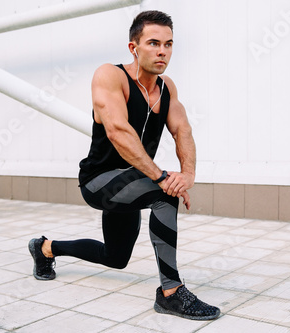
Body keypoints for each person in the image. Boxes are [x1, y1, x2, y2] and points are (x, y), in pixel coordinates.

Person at [29, 10, 220, 321]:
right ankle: (171, 293)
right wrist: (162, 178)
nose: (163, 51)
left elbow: (182, 130)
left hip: (133, 182)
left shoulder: (167, 88)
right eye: (154, 43)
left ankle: (45, 248)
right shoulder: (110, 76)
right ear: (134, 48)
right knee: (164, 195)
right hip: (99, 180)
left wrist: (187, 175)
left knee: (115, 257)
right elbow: (118, 132)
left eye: (169, 44)